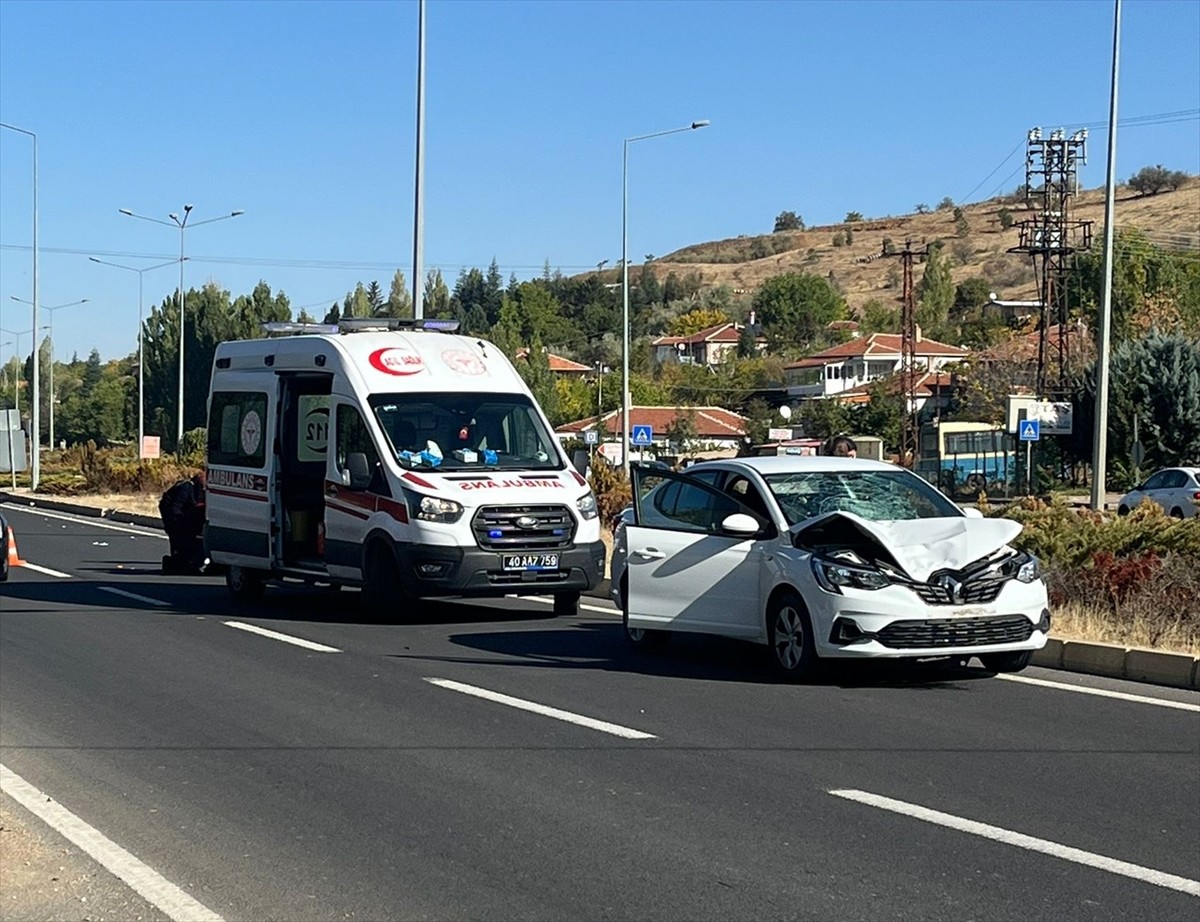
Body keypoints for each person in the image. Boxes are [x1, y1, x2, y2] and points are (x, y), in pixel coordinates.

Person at [160, 472, 207, 574]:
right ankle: (176, 561)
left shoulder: (200, 492)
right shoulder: (186, 488)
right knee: (178, 538)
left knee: (190, 539)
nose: (203, 490)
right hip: (172, 513)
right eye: (203, 487)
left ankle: (184, 560)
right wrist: (181, 524)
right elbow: (175, 508)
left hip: (185, 513)